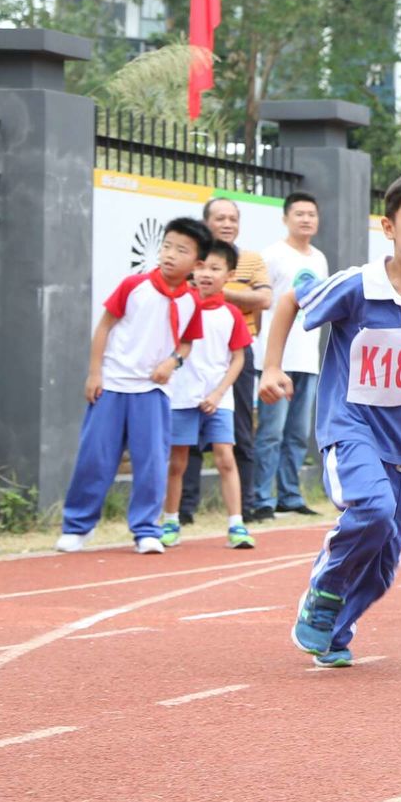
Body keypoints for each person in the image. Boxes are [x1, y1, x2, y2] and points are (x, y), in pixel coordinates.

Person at [259, 172, 401, 667]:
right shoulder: (360, 285)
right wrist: (272, 366)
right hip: (350, 427)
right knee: (372, 510)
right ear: (388, 226)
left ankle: (333, 631)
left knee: (383, 568)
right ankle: (325, 588)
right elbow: (291, 303)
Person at [56, 217, 212, 554]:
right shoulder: (134, 285)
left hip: (153, 391)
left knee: (152, 463)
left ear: (197, 264)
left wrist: (172, 362)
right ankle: (78, 526)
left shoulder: (191, 301)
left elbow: (186, 343)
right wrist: (94, 373)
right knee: (95, 458)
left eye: (181, 250)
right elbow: (104, 327)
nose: (170, 254)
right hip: (112, 384)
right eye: (167, 245)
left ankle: (145, 529)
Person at [180, 197, 270, 524]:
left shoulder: (251, 259)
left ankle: (242, 508)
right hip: (189, 353)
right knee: (185, 435)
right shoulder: (189, 257)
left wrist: (219, 289)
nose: (228, 224)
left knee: (240, 430)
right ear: (206, 223)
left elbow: (264, 299)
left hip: (235, 352)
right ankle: (183, 509)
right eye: (220, 218)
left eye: (233, 218)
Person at [162, 243, 256, 550]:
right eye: (201, 267)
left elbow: (238, 359)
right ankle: (171, 520)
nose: (206, 274)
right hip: (181, 397)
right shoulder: (180, 306)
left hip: (220, 399)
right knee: (178, 462)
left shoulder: (231, 314)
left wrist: (217, 393)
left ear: (229, 275)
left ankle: (236, 525)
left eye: (215, 269)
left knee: (225, 458)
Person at [249, 192, 329, 522]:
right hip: (275, 361)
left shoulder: (320, 259)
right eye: (299, 214)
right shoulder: (272, 255)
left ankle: (290, 495)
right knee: (271, 432)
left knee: (297, 434)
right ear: (285, 219)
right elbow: (262, 302)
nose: (306, 219)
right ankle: (260, 498)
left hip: (307, 359)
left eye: (311, 214)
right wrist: (269, 359)